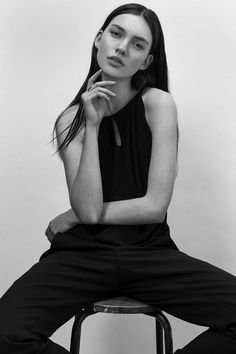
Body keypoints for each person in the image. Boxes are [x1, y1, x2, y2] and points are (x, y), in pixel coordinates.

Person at [0, 3, 236, 354]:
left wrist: (73, 215)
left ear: (146, 62)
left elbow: (154, 207)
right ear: (98, 40)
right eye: (115, 33)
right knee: (6, 333)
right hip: (82, 255)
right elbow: (90, 209)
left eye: (138, 44)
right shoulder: (71, 120)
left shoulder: (159, 105)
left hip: (148, 253)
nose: (123, 47)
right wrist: (92, 124)